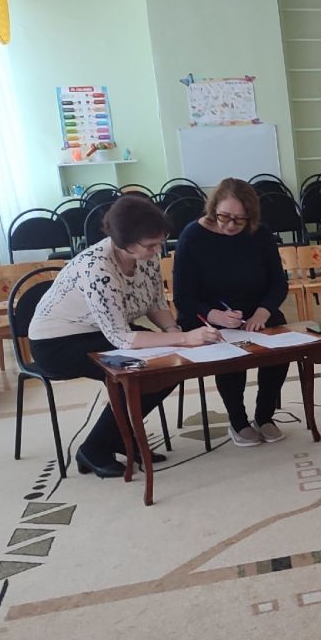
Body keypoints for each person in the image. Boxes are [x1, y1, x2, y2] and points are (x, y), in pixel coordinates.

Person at [28, 195, 221, 477]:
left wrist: (174, 332)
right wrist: (186, 339)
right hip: (57, 343)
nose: (157, 250)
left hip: (102, 331)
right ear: (124, 243)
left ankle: (120, 437)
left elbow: (155, 303)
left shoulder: (146, 257)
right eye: (150, 245)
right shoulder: (98, 268)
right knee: (134, 371)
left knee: (172, 366)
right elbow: (122, 339)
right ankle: (93, 449)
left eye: (160, 242)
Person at [173, 178, 292, 447]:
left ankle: (264, 416)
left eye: (240, 220)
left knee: (279, 346)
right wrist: (215, 315)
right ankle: (238, 421)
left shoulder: (259, 233)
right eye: (224, 217)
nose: (230, 225)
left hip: (253, 312)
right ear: (213, 208)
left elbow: (278, 283)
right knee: (229, 350)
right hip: (207, 316)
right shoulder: (192, 237)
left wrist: (262, 313)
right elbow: (183, 297)